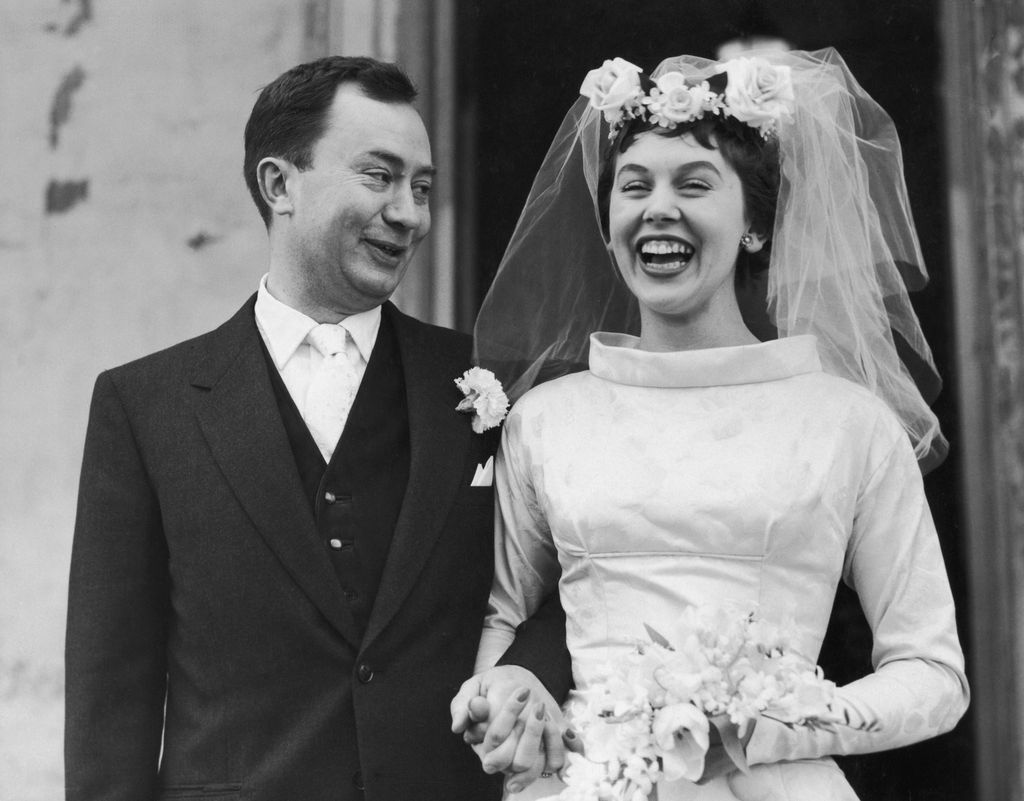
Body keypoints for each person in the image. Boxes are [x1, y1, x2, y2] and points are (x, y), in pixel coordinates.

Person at [453, 48, 969, 800]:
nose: (659, 207)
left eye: (694, 184)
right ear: (608, 227)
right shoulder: (545, 420)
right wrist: (507, 697)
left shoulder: (846, 423)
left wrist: (786, 722)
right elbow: (504, 617)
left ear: (756, 225)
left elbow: (933, 672)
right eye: (635, 187)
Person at [64, 55, 570, 801]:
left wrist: (531, 670)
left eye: (422, 188)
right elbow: (112, 690)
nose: (410, 213)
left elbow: (584, 579)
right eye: (379, 175)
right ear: (279, 184)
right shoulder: (145, 406)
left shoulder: (492, 386)